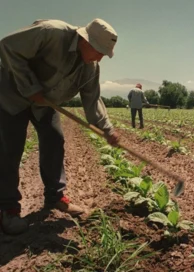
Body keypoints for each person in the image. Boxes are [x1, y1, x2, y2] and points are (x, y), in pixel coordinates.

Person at [0, 18, 120, 235]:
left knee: (55, 140)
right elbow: (7, 46)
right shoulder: (51, 32)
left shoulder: (90, 67)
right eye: (99, 51)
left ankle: (56, 197)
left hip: (45, 103)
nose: (100, 57)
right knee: (10, 151)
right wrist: (30, 87)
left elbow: (92, 100)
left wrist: (107, 129)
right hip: (11, 97)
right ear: (85, 40)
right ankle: (9, 209)